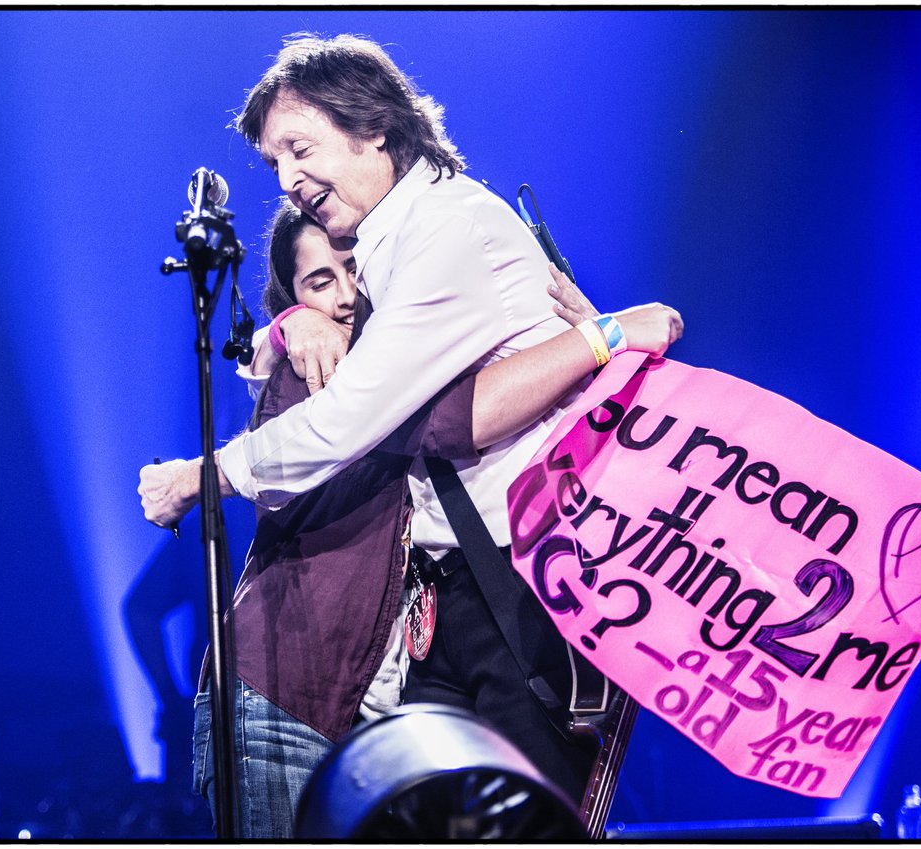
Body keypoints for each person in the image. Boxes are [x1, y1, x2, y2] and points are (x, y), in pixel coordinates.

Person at [140, 33, 684, 807]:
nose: (289, 179)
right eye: (274, 165)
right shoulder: (391, 242)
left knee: (527, 822)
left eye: (300, 148)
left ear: (374, 127)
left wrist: (206, 473)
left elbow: (356, 417)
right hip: (450, 599)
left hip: (523, 584)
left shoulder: (443, 226)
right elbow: (417, 406)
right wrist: (289, 322)